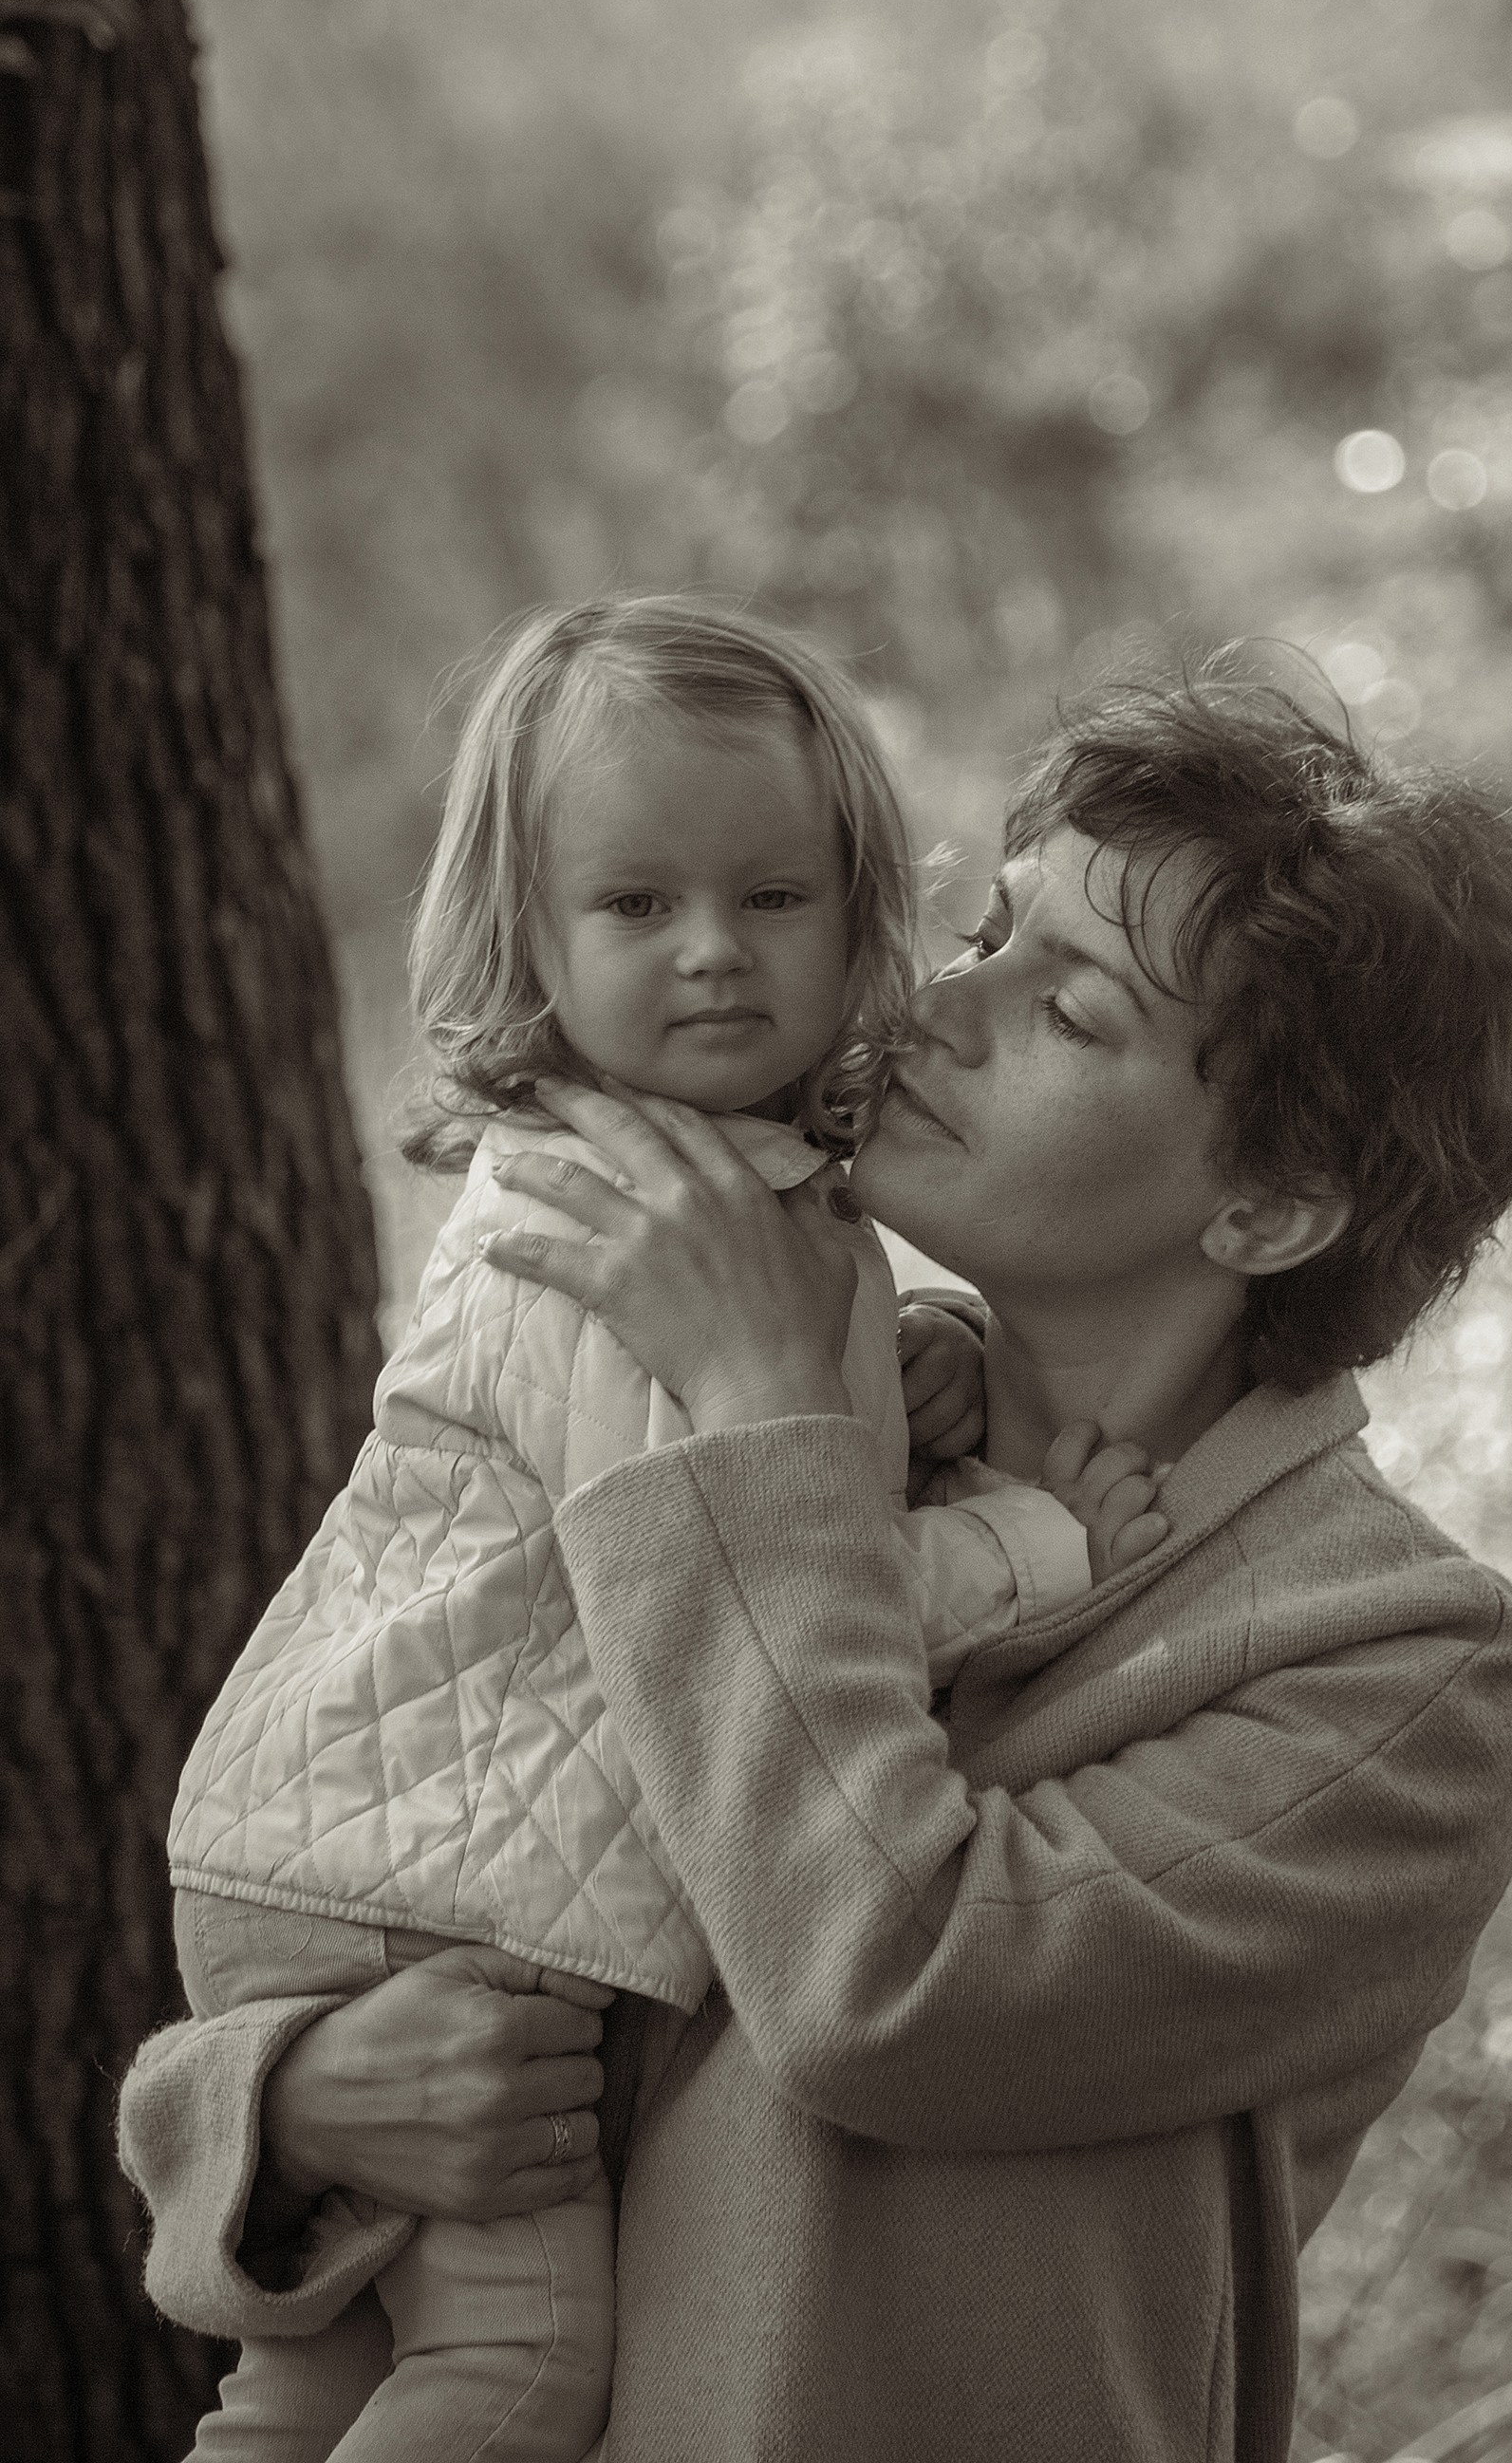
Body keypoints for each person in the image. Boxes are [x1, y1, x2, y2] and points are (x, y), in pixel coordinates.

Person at [121, 652, 1512, 2463]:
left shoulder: (1395, 1671)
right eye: (987, 935)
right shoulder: (824, 1412)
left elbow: (891, 1985)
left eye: (1078, 1013)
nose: (945, 1010)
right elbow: (474, 1843)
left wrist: (758, 1422)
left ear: (1266, 1206)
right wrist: (285, 2112)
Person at [150, 595, 1164, 2460]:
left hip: (355, 1836)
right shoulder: (637, 1228)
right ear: (527, 937)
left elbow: (756, 1459)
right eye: (636, 907)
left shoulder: (717, 1188)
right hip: (431, 1894)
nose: (712, 953)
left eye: (773, 899)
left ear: (863, 906)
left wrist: (894, 1387)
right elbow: (725, 1580)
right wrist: (1027, 1543)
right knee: (510, 2371)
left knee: (313, 2379)